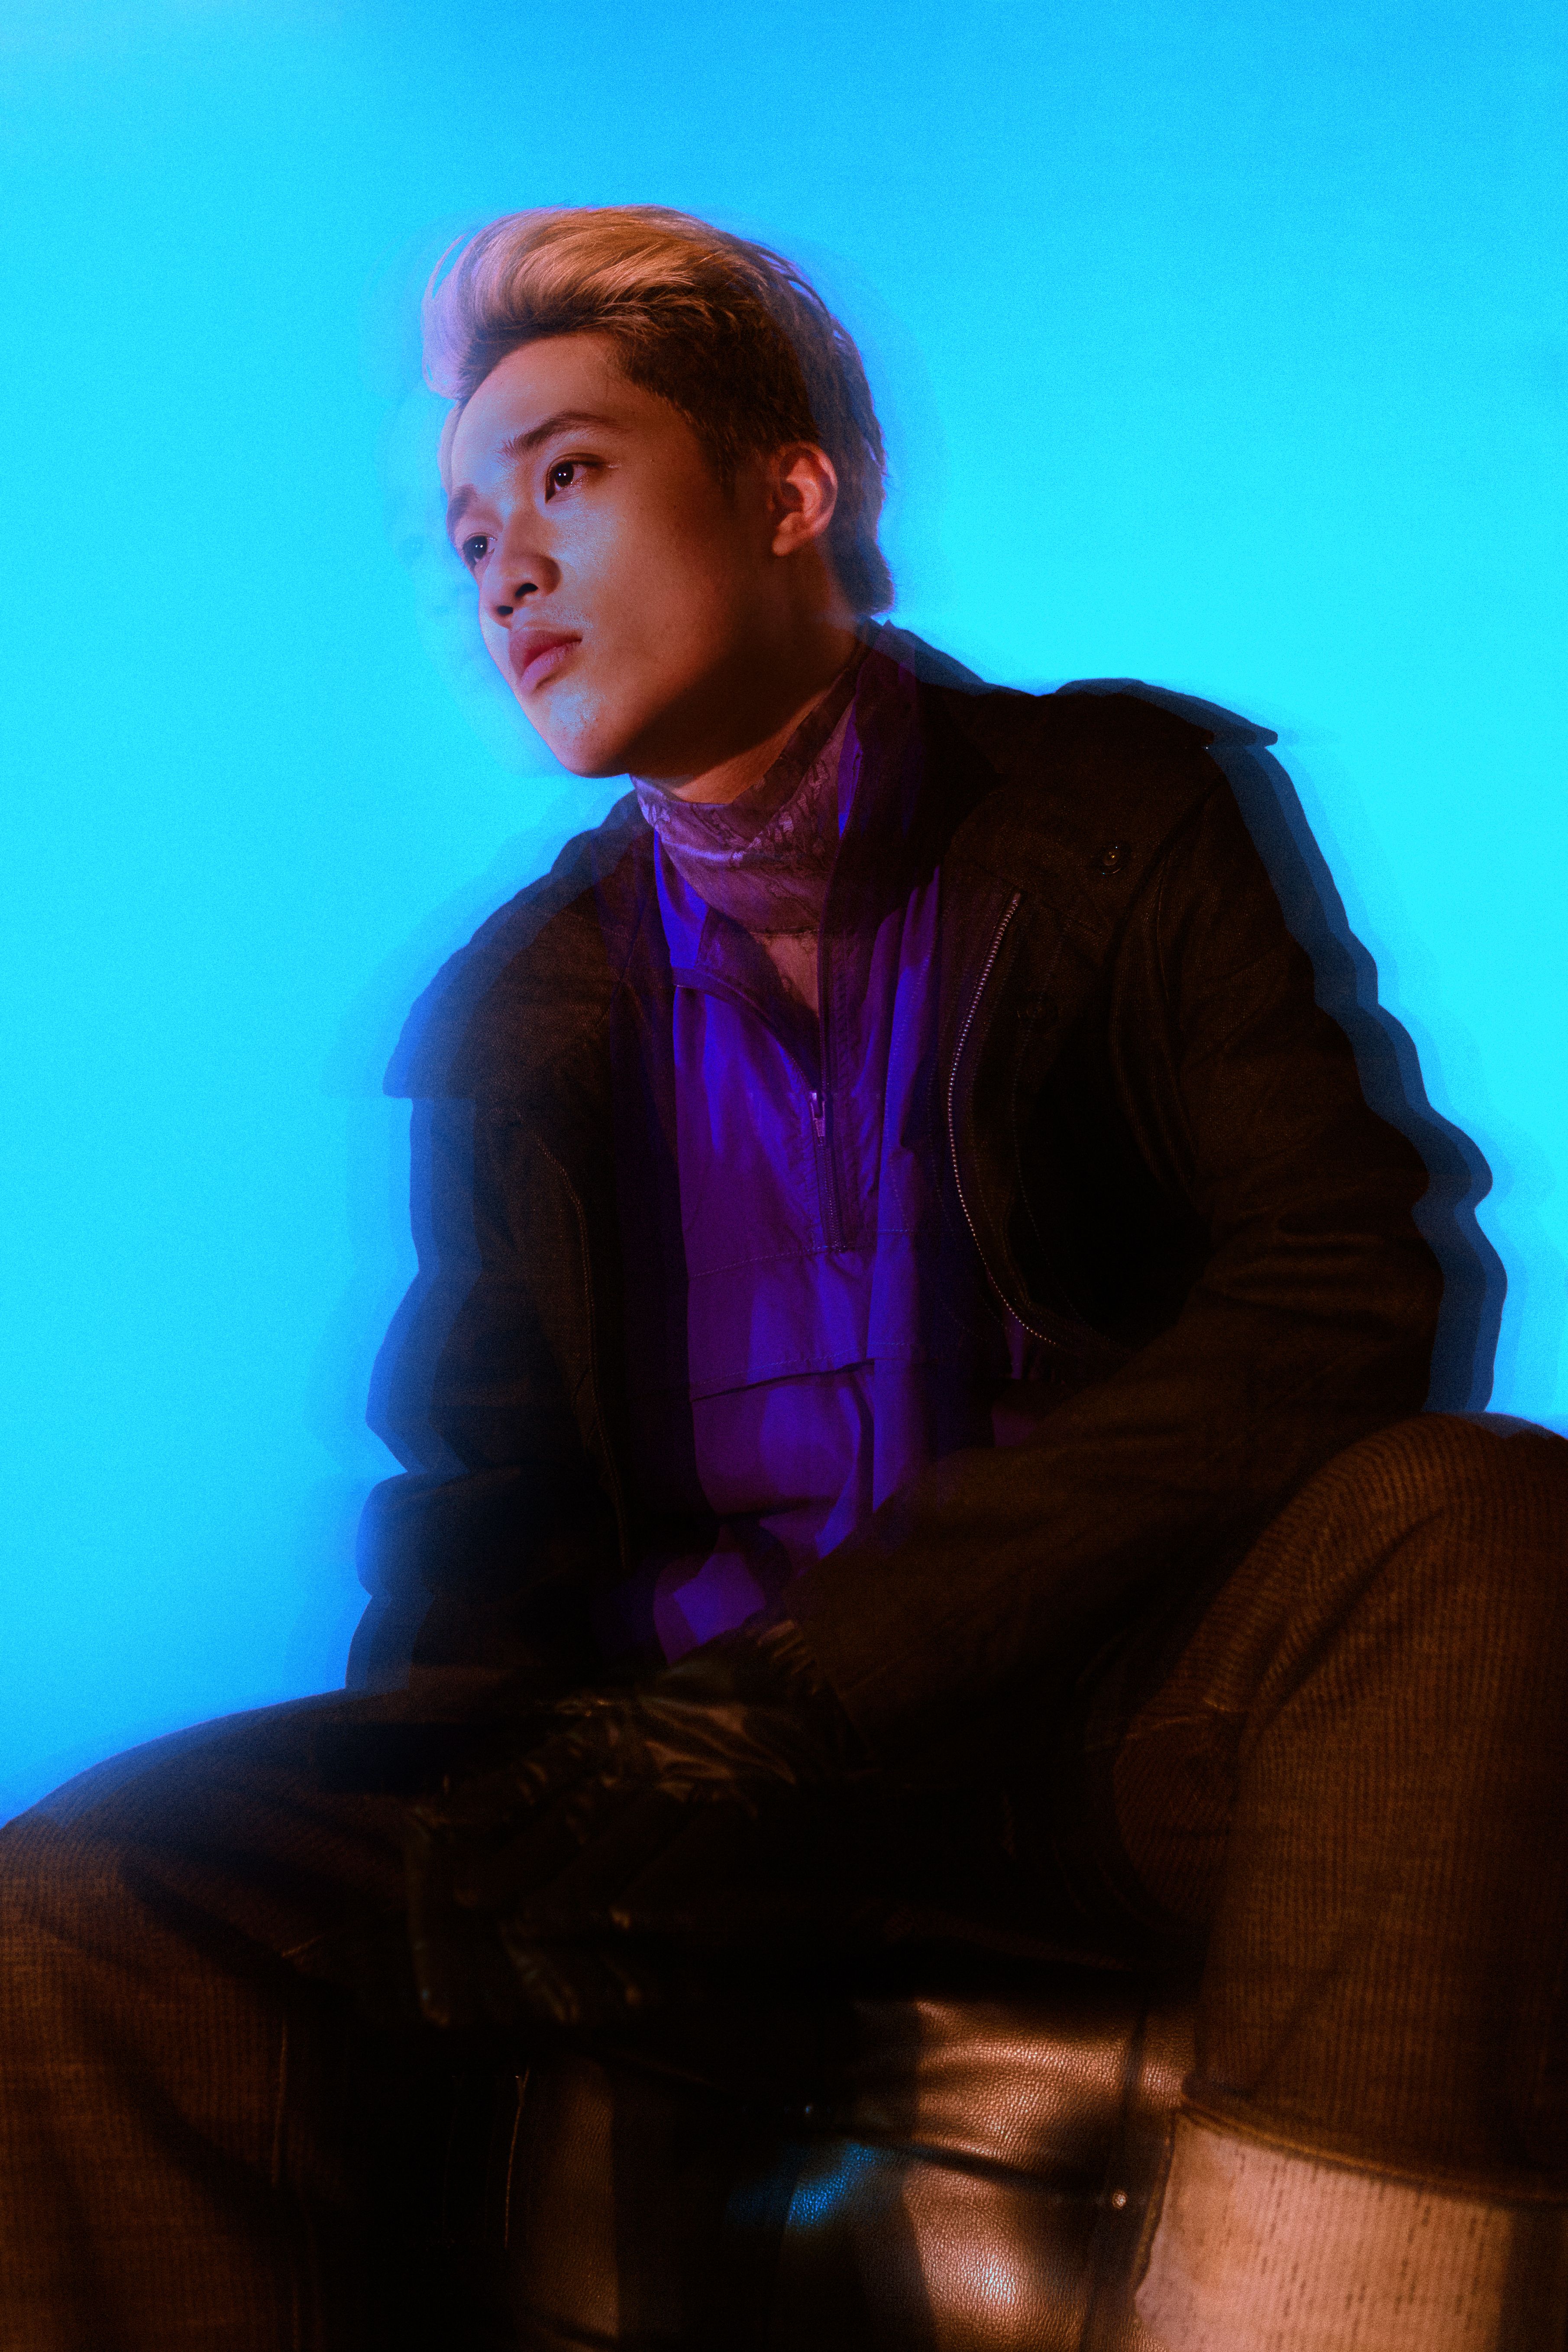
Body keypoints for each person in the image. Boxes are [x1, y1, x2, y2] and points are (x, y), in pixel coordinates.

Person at [2, 203, 1566, 2352]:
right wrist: (470, 1840)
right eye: (467, 538)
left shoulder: (1124, 806)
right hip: (682, 1811)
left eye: (565, 475)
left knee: (1478, 1526)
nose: (503, 570)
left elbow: (1349, 1288)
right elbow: (485, 1527)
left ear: (786, 489)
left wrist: (825, 1682)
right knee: (79, 1902)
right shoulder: (522, 1007)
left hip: (1090, 1750)